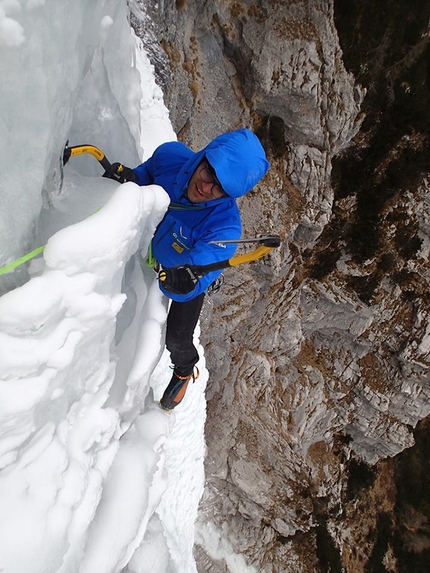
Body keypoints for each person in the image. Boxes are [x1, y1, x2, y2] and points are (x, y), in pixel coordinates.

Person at [111, 129, 270, 410]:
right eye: (210, 173)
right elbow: (147, 175)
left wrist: (185, 280)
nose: (206, 188)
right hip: (155, 251)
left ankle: (185, 368)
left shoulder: (224, 226)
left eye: (220, 188)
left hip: (185, 275)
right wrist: (131, 180)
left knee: (177, 337)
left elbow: (203, 266)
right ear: (205, 154)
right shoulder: (169, 156)